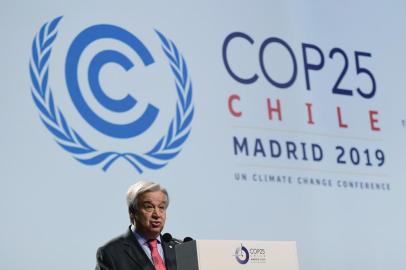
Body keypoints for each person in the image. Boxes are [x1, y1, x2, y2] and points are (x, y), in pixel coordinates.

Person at [96, 181, 177, 270]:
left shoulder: (179, 248)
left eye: (161, 207)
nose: (157, 214)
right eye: (149, 207)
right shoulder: (110, 253)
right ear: (132, 212)